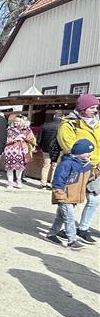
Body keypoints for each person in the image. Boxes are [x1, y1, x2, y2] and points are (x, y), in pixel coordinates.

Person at [56, 93, 100, 244]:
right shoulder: (69, 124)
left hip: (96, 167)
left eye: (96, 107)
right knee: (70, 200)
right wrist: (91, 160)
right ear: (82, 109)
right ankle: (60, 230)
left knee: (94, 199)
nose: (96, 110)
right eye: (92, 107)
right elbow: (70, 147)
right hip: (76, 167)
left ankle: (83, 228)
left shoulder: (98, 124)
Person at [45, 139, 94, 250]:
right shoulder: (66, 163)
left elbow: (87, 178)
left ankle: (51, 234)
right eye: (87, 152)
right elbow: (58, 180)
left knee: (61, 217)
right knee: (69, 218)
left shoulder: (86, 164)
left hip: (73, 197)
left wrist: (95, 173)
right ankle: (72, 240)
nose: (90, 154)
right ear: (79, 152)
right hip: (65, 196)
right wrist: (59, 194)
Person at [3, 116, 36, 188]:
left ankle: (18, 181)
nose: (16, 122)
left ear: (22, 122)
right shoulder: (9, 130)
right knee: (9, 167)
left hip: (21, 151)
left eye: (18, 121)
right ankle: (10, 183)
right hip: (9, 151)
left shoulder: (27, 130)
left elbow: (32, 139)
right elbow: (4, 140)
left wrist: (24, 137)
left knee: (19, 167)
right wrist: (15, 139)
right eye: (15, 121)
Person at [38, 111, 62, 188]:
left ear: (54, 116)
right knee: (55, 166)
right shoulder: (61, 126)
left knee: (46, 166)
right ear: (62, 116)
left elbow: (39, 137)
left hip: (45, 148)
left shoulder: (45, 125)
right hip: (57, 148)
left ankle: (43, 183)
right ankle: (52, 183)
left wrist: (40, 146)